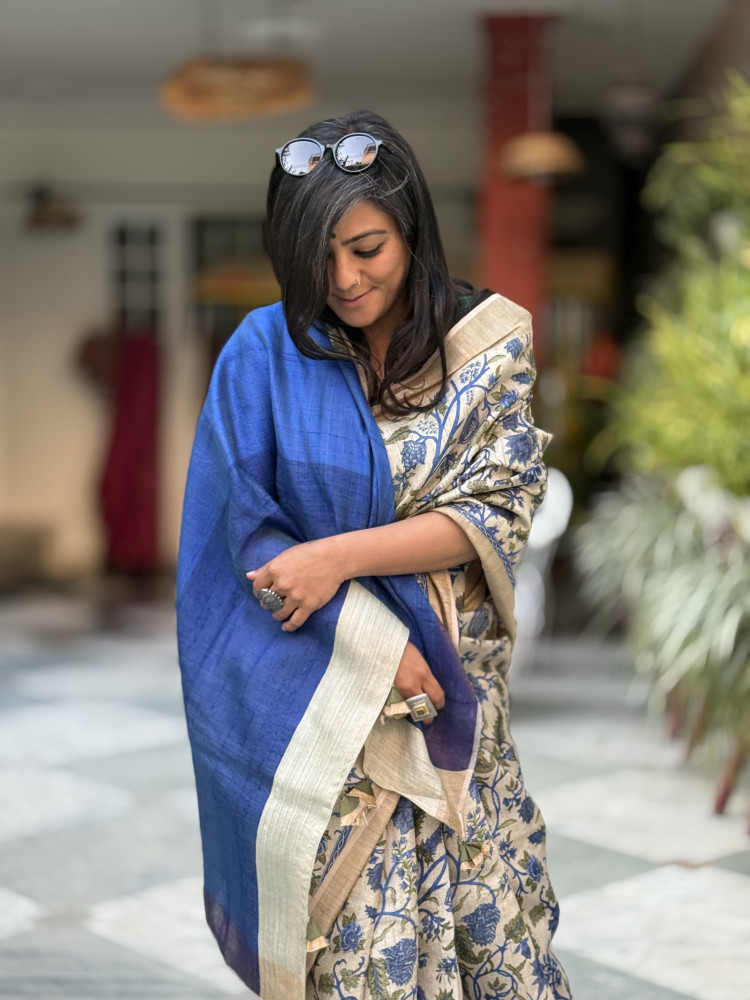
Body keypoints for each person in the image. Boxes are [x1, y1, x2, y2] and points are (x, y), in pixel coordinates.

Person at [177, 110, 571, 1000]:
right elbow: (247, 523)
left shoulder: (485, 346)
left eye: (367, 249)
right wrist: (378, 643)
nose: (344, 280)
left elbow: (497, 505)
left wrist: (339, 558)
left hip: (457, 699)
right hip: (332, 710)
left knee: (493, 941)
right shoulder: (264, 353)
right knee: (357, 957)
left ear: (411, 230)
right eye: (317, 257)